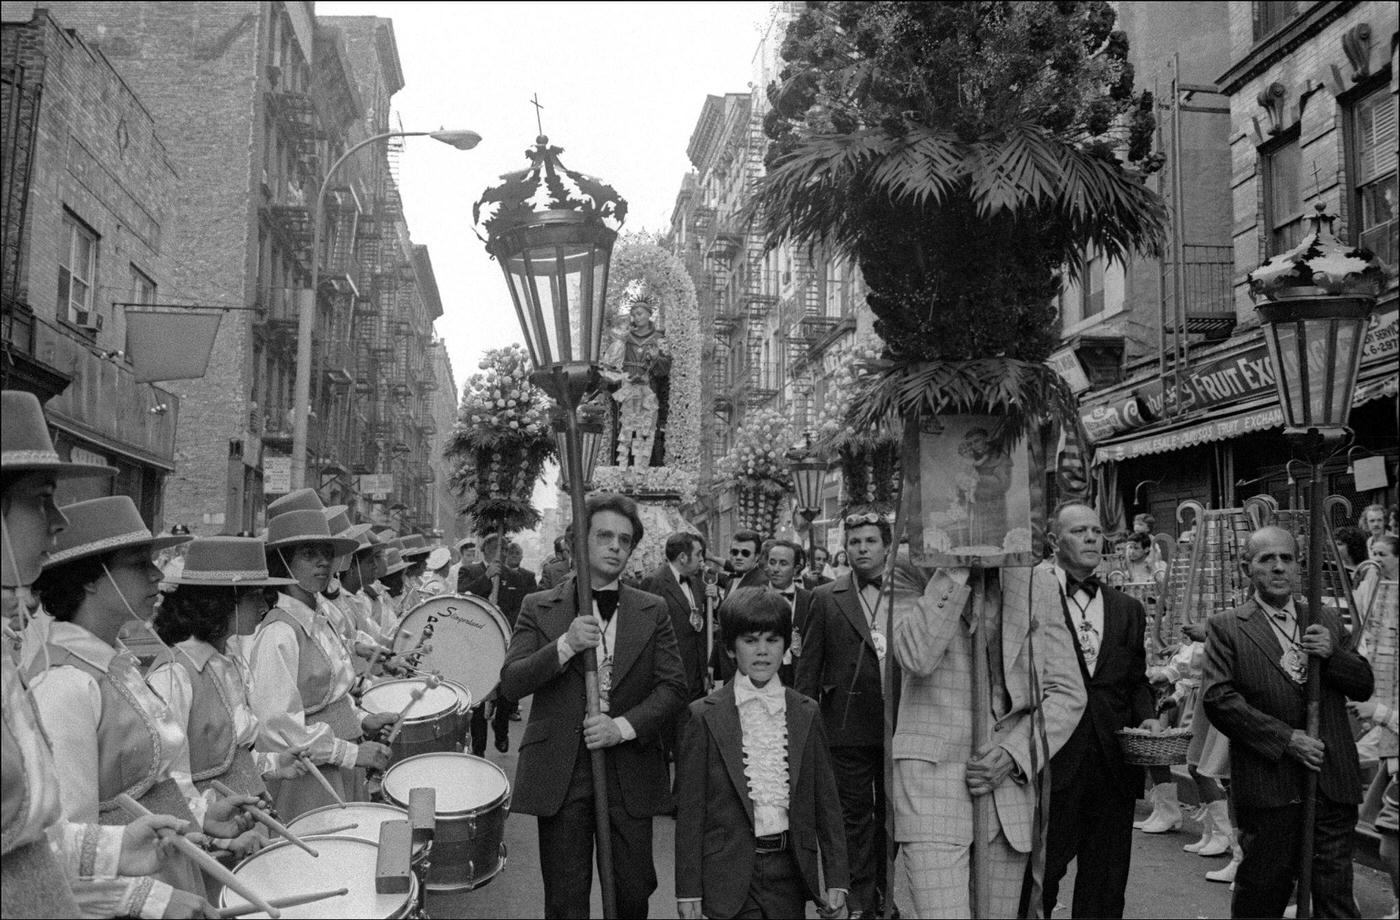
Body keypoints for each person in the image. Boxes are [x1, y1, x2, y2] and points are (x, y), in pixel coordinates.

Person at [1, 391, 197, 918]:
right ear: (92, 580)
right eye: (41, 498)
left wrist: (117, 848)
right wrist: (136, 895)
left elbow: (35, 837)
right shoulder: (65, 683)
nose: (59, 521)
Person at [28, 496, 262, 915]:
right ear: (90, 579)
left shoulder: (117, 665)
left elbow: (150, 787)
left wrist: (204, 818)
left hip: (168, 876)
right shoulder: (64, 684)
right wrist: (141, 902)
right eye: (139, 564)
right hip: (129, 898)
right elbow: (65, 841)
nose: (158, 575)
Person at [499, 492, 687, 918]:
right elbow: (511, 683)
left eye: (624, 539)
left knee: (631, 896)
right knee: (566, 902)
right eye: (604, 536)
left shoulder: (652, 610)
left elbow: (674, 688)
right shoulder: (539, 605)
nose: (615, 546)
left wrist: (620, 726)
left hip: (629, 771)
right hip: (562, 775)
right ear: (578, 542)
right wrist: (565, 646)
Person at [891, 561, 1085, 918]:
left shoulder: (1036, 580)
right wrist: (954, 566)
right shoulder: (911, 569)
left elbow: (1068, 691)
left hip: (1007, 791)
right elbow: (915, 657)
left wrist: (1013, 754)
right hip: (931, 789)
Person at [1203, 525, 1374, 919]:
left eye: (1287, 558)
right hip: (1271, 785)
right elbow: (1219, 699)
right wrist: (1285, 739)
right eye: (1267, 559)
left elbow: (1363, 685)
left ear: (1298, 567)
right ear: (1249, 569)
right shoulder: (1228, 626)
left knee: (1334, 898)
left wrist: (1333, 656)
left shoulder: (1324, 618)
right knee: (1263, 893)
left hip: (1330, 782)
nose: (1279, 567)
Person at [675, 587, 849, 919]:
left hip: (790, 870)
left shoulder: (805, 712)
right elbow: (691, 811)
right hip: (728, 871)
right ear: (729, 647)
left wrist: (837, 877)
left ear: (786, 647)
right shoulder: (704, 714)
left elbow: (826, 802)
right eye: (750, 640)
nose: (762, 651)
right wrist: (688, 889)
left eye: (772, 640)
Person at [1040, 502, 1159, 920]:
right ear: (1054, 542)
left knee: (1106, 882)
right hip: (1051, 760)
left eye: (1096, 531)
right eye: (1079, 531)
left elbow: (1137, 680)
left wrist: (1148, 715)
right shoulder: (1030, 598)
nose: (1092, 537)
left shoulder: (1128, 608)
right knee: (1039, 876)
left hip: (1113, 761)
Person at [248, 509, 395, 819]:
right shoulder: (279, 632)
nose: (324, 562)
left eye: (328, 553)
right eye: (309, 553)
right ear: (283, 561)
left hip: (340, 759)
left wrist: (363, 719)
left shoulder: (320, 617)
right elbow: (278, 729)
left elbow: (332, 696)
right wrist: (351, 753)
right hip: (309, 774)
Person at [149, 536, 307, 808]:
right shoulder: (176, 675)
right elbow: (171, 779)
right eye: (254, 596)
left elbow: (229, 755)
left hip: (243, 817)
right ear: (222, 601)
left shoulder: (228, 658)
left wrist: (273, 763)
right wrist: (212, 832)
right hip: (211, 833)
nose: (263, 606)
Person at [795, 512, 892, 919]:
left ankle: (886, 895)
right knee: (853, 819)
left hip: (899, 726)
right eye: (855, 542)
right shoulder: (824, 597)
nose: (862, 549)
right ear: (845, 548)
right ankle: (861, 903)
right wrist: (802, 730)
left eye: (870, 541)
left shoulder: (906, 592)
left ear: (887, 546)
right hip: (844, 727)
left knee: (893, 817)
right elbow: (807, 672)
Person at [461, 534, 538, 753]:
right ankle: (478, 750)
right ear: (486, 550)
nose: (503, 554)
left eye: (505, 550)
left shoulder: (513, 576)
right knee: (478, 698)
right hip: (476, 642)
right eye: (498, 550)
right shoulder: (469, 571)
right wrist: (486, 578)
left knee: (506, 689)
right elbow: (463, 596)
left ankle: (501, 727)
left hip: (504, 641)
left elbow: (519, 608)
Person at [640, 532, 708, 767]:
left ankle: (686, 799)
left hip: (696, 680)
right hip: (669, 681)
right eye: (698, 554)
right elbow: (646, 635)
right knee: (665, 746)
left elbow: (698, 626)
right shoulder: (655, 582)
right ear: (682, 557)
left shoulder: (698, 583)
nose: (702, 560)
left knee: (690, 748)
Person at [762, 539, 811, 685]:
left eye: (783, 563)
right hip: (765, 673)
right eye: (772, 562)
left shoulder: (810, 599)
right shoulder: (755, 597)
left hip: (800, 675)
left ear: (796, 569)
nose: (775, 569)